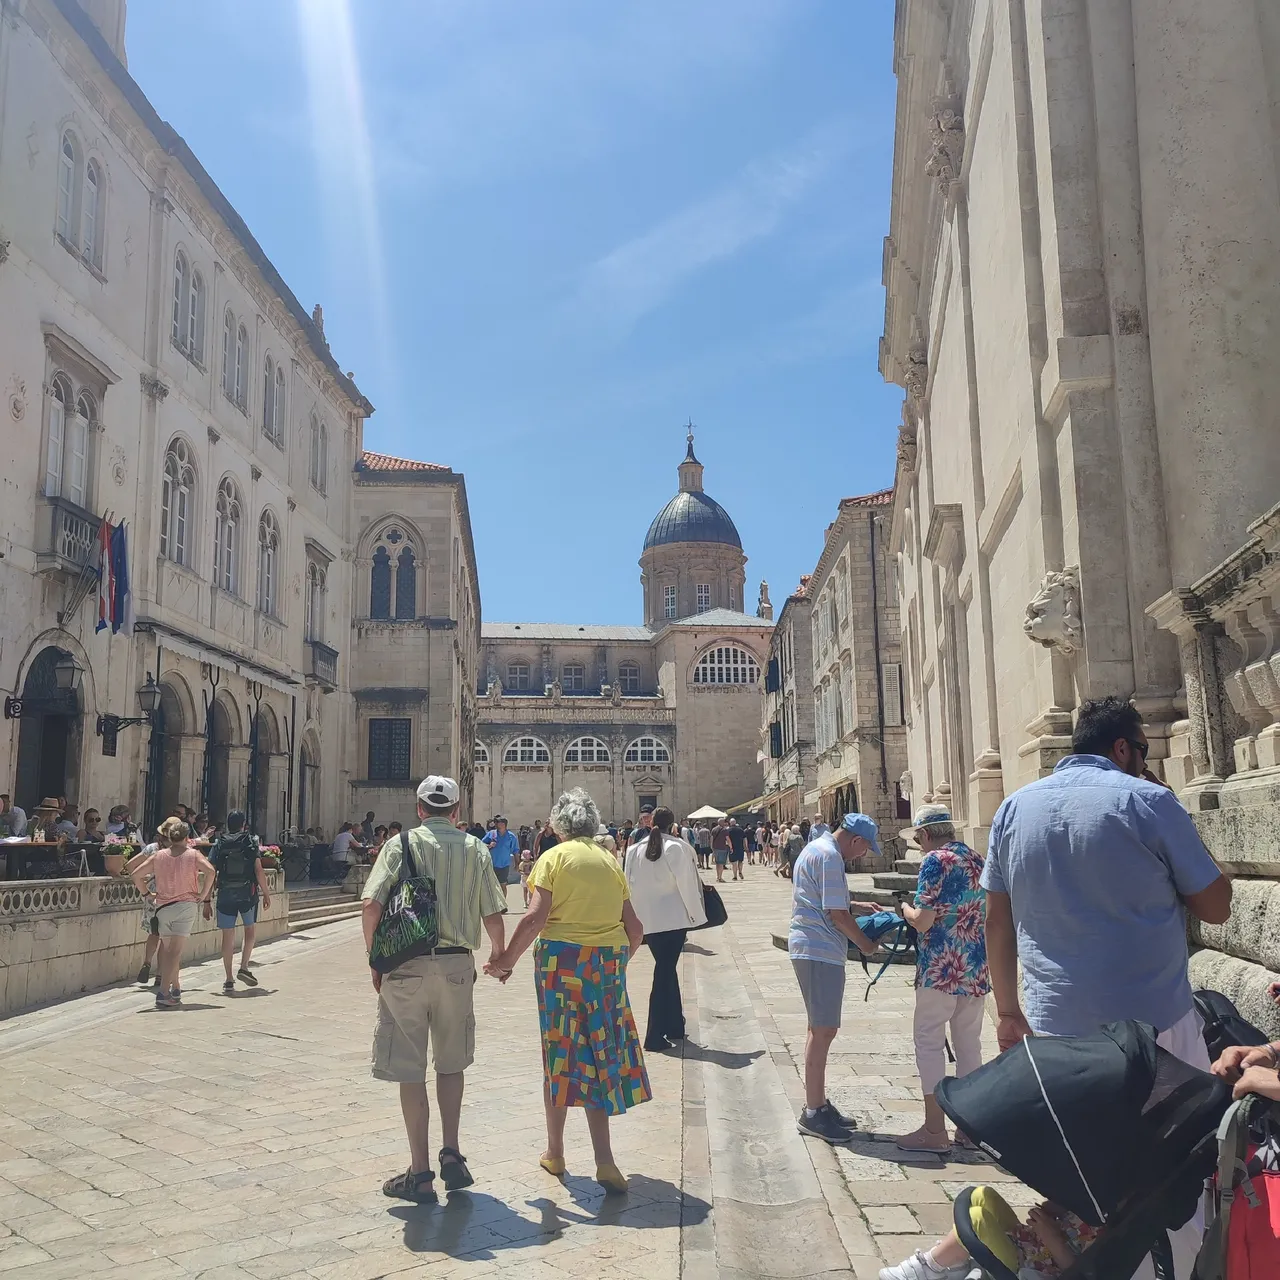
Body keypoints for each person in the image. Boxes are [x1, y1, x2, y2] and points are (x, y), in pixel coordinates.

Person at [984, 696, 1231, 1057]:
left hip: (1054, 1027)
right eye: (1142, 750)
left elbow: (996, 922)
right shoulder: (1151, 801)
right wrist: (1177, 812)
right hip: (1155, 1027)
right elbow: (1217, 908)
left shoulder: (1012, 809)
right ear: (1121, 748)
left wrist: (1008, 1012)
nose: (1144, 762)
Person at [485, 788, 649, 1194]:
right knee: (599, 1051)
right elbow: (636, 929)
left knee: (560, 1051)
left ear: (558, 826)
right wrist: (616, 964)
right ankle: (605, 1160)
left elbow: (535, 917)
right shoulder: (610, 861)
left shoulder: (553, 858)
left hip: (562, 963)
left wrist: (505, 961)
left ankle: (555, 1152)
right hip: (607, 963)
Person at [361, 776, 507, 1204]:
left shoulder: (400, 845)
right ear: (457, 810)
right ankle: (452, 1153)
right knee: (451, 1063)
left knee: (410, 1068)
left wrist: (375, 958)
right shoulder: (476, 848)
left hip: (404, 966)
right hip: (457, 965)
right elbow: (493, 909)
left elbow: (370, 905)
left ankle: (420, 1173)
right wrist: (499, 956)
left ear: (420, 808)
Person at [894, 803, 989, 1153]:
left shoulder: (935, 861)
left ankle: (934, 1131)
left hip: (940, 966)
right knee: (969, 1045)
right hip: (975, 964)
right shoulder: (976, 859)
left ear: (927, 834)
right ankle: (968, 1128)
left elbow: (923, 919)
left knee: (929, 1042)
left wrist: (904, 910)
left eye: (918, 838)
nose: (919, 845)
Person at [788, 813, 882, 1142]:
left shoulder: (817, 849)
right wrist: (867, 945)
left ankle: (820, 1105)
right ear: (855, 840)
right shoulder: (830, 857)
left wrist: (855, 903)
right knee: (823, 1029)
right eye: (866, 848)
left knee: (821, 1027)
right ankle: (813, 1111)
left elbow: (821, 900)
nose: (863, 855)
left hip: (813, 947)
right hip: (819, 948)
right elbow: (836, 915)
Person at [624, 806, 705, 1052]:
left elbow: (628, 885)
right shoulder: (678, 848)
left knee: (667, 969)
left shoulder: (633, 850)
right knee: (664, 971)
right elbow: (689, 886)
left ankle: (674, 1026)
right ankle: (654, 1035)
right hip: (674, 921)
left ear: (650, 824)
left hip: (648, 921)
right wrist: (697, 916)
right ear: (673, 825)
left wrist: (633, 919)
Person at [880, 1198, 1097, 1280]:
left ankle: (926, 1270)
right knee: (982, 1195)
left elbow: (1080, 1273)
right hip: (1028, 1241)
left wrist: (1052, 1237)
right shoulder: (1099, 1201)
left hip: (1032, 1264)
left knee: (976, 1220)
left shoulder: (1116, 1232)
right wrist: (1060, 1205)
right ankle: (956, 1264)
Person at [128, 818, 215, 1008]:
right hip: (185, 905)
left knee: (169, 950)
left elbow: (135, 874)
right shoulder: (193, 855)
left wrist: (146, 894)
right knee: (174, 953)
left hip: (162, 906)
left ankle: (176, 987)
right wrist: (203, 894)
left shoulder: (158, 856)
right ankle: (163, 993)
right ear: (186, 837)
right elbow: (210, 871)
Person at [206, 810, 271, 992]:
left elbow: (211, 871)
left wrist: (206, 899)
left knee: (228, 936)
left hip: (226, 893)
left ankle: (228, 979)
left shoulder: (219, 843)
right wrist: (266, 893)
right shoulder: (250, 841)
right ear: (244, 824)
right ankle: (244, 966)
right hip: (247, 893)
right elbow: (258, 870)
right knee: (249, 931)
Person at [483, 815, 519, 903]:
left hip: (504, 864)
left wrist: (517, 863)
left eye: (502, 823)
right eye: (499, 823)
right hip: (491, 863)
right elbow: (481, 844)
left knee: (503, 884)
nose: (501, 824)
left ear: (505, 824)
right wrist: (489, 845)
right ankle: (493, 904)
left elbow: (515, 850)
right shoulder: (492, 834)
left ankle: (502, 904)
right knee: (492, 885)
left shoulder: (511, 836)